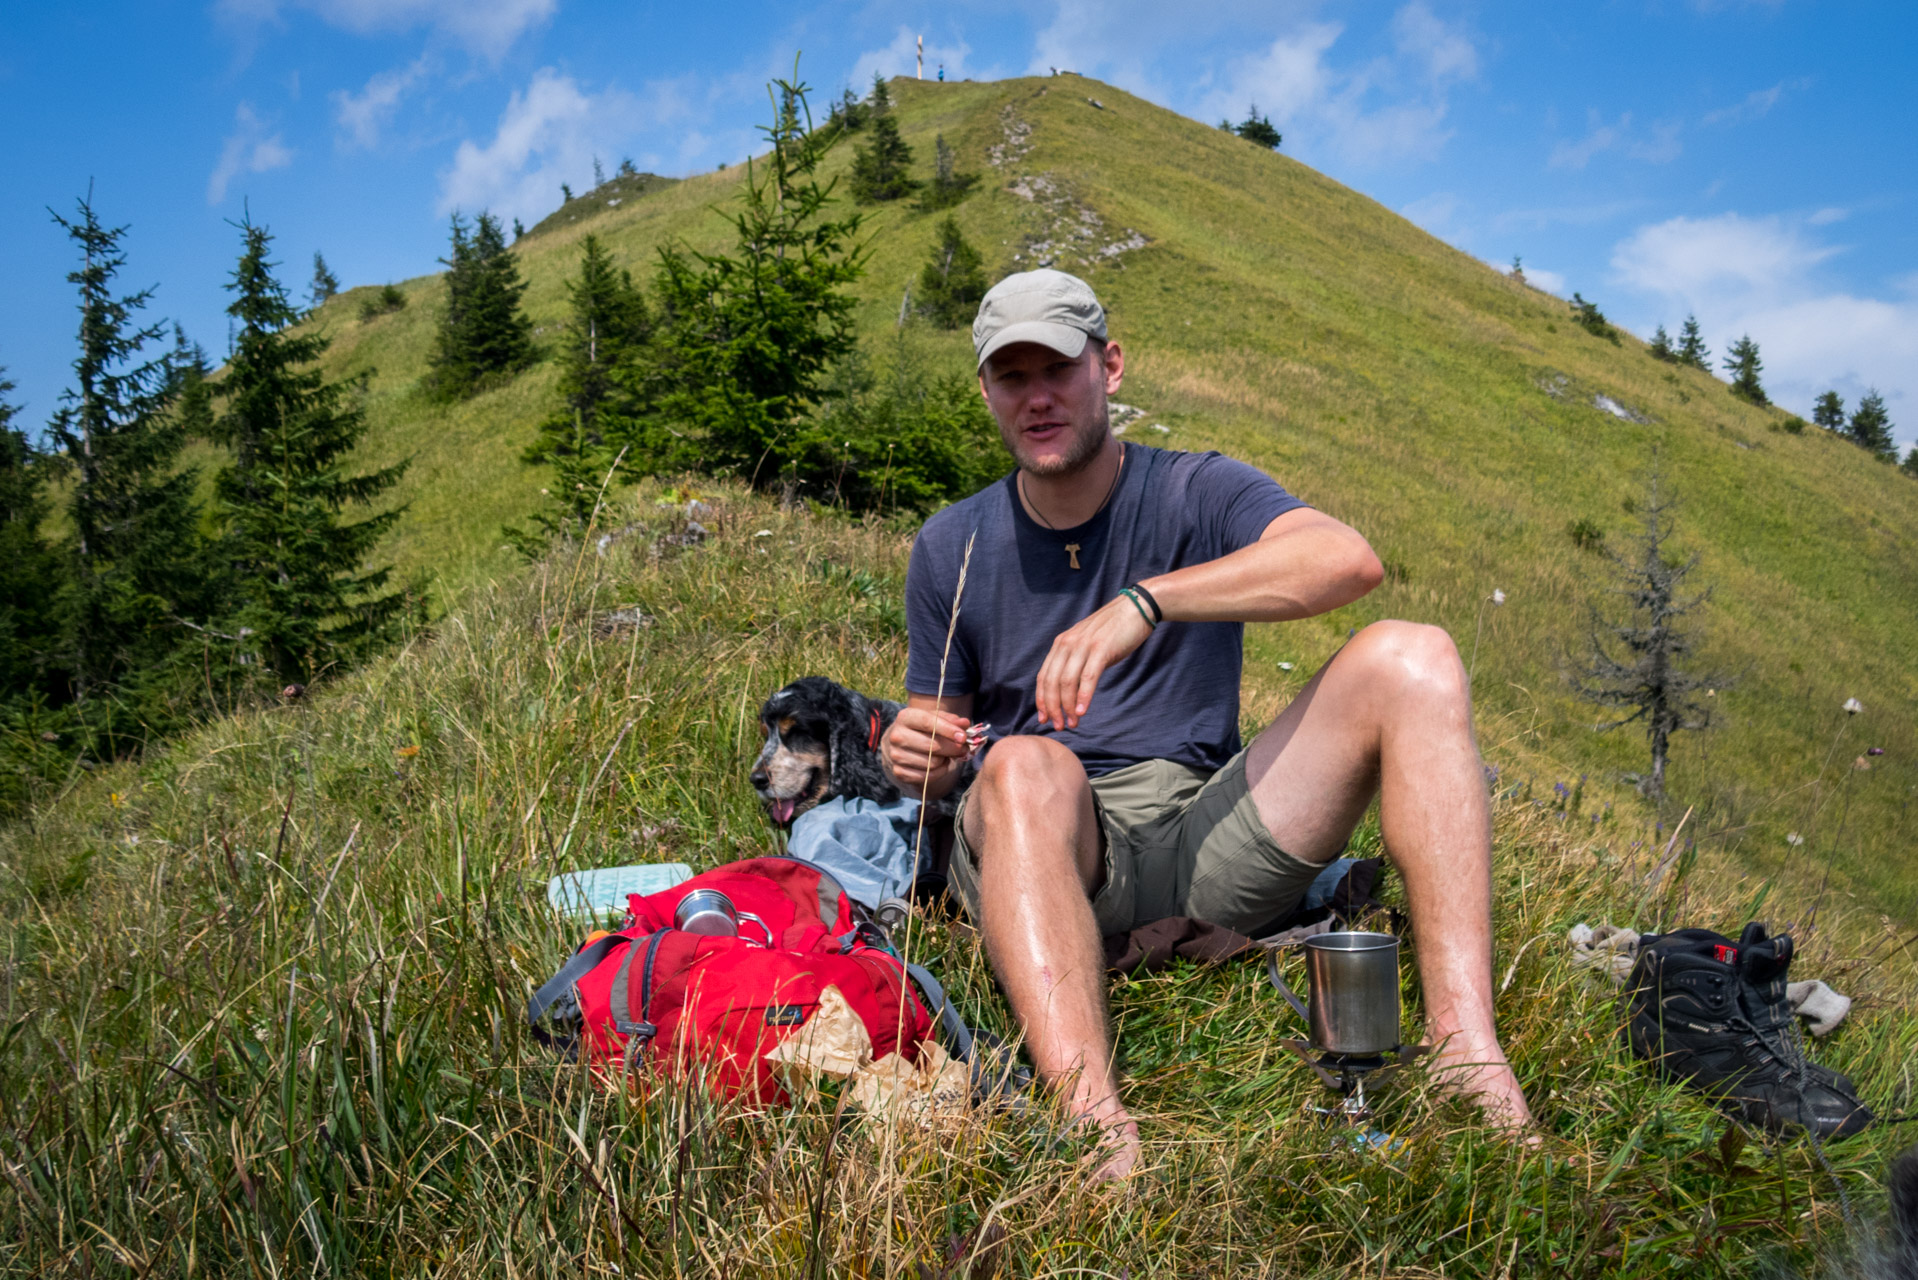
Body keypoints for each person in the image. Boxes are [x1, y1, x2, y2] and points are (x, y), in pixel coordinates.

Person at [881, 268, 1534, 1180]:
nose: (1036, 397)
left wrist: (1146, 603)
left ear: (1109, 367)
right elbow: (940, 750)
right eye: (1010, 376)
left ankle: (1467, 1045)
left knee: (1413, 655)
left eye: (1056, 370)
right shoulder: (952, 542)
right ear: (986, 390)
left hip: (1206, 832)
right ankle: (1092, 1119)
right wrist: (913, 752)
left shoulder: (1196, 492)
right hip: (1050, 840)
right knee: (1026, 764)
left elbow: (1344, 561)